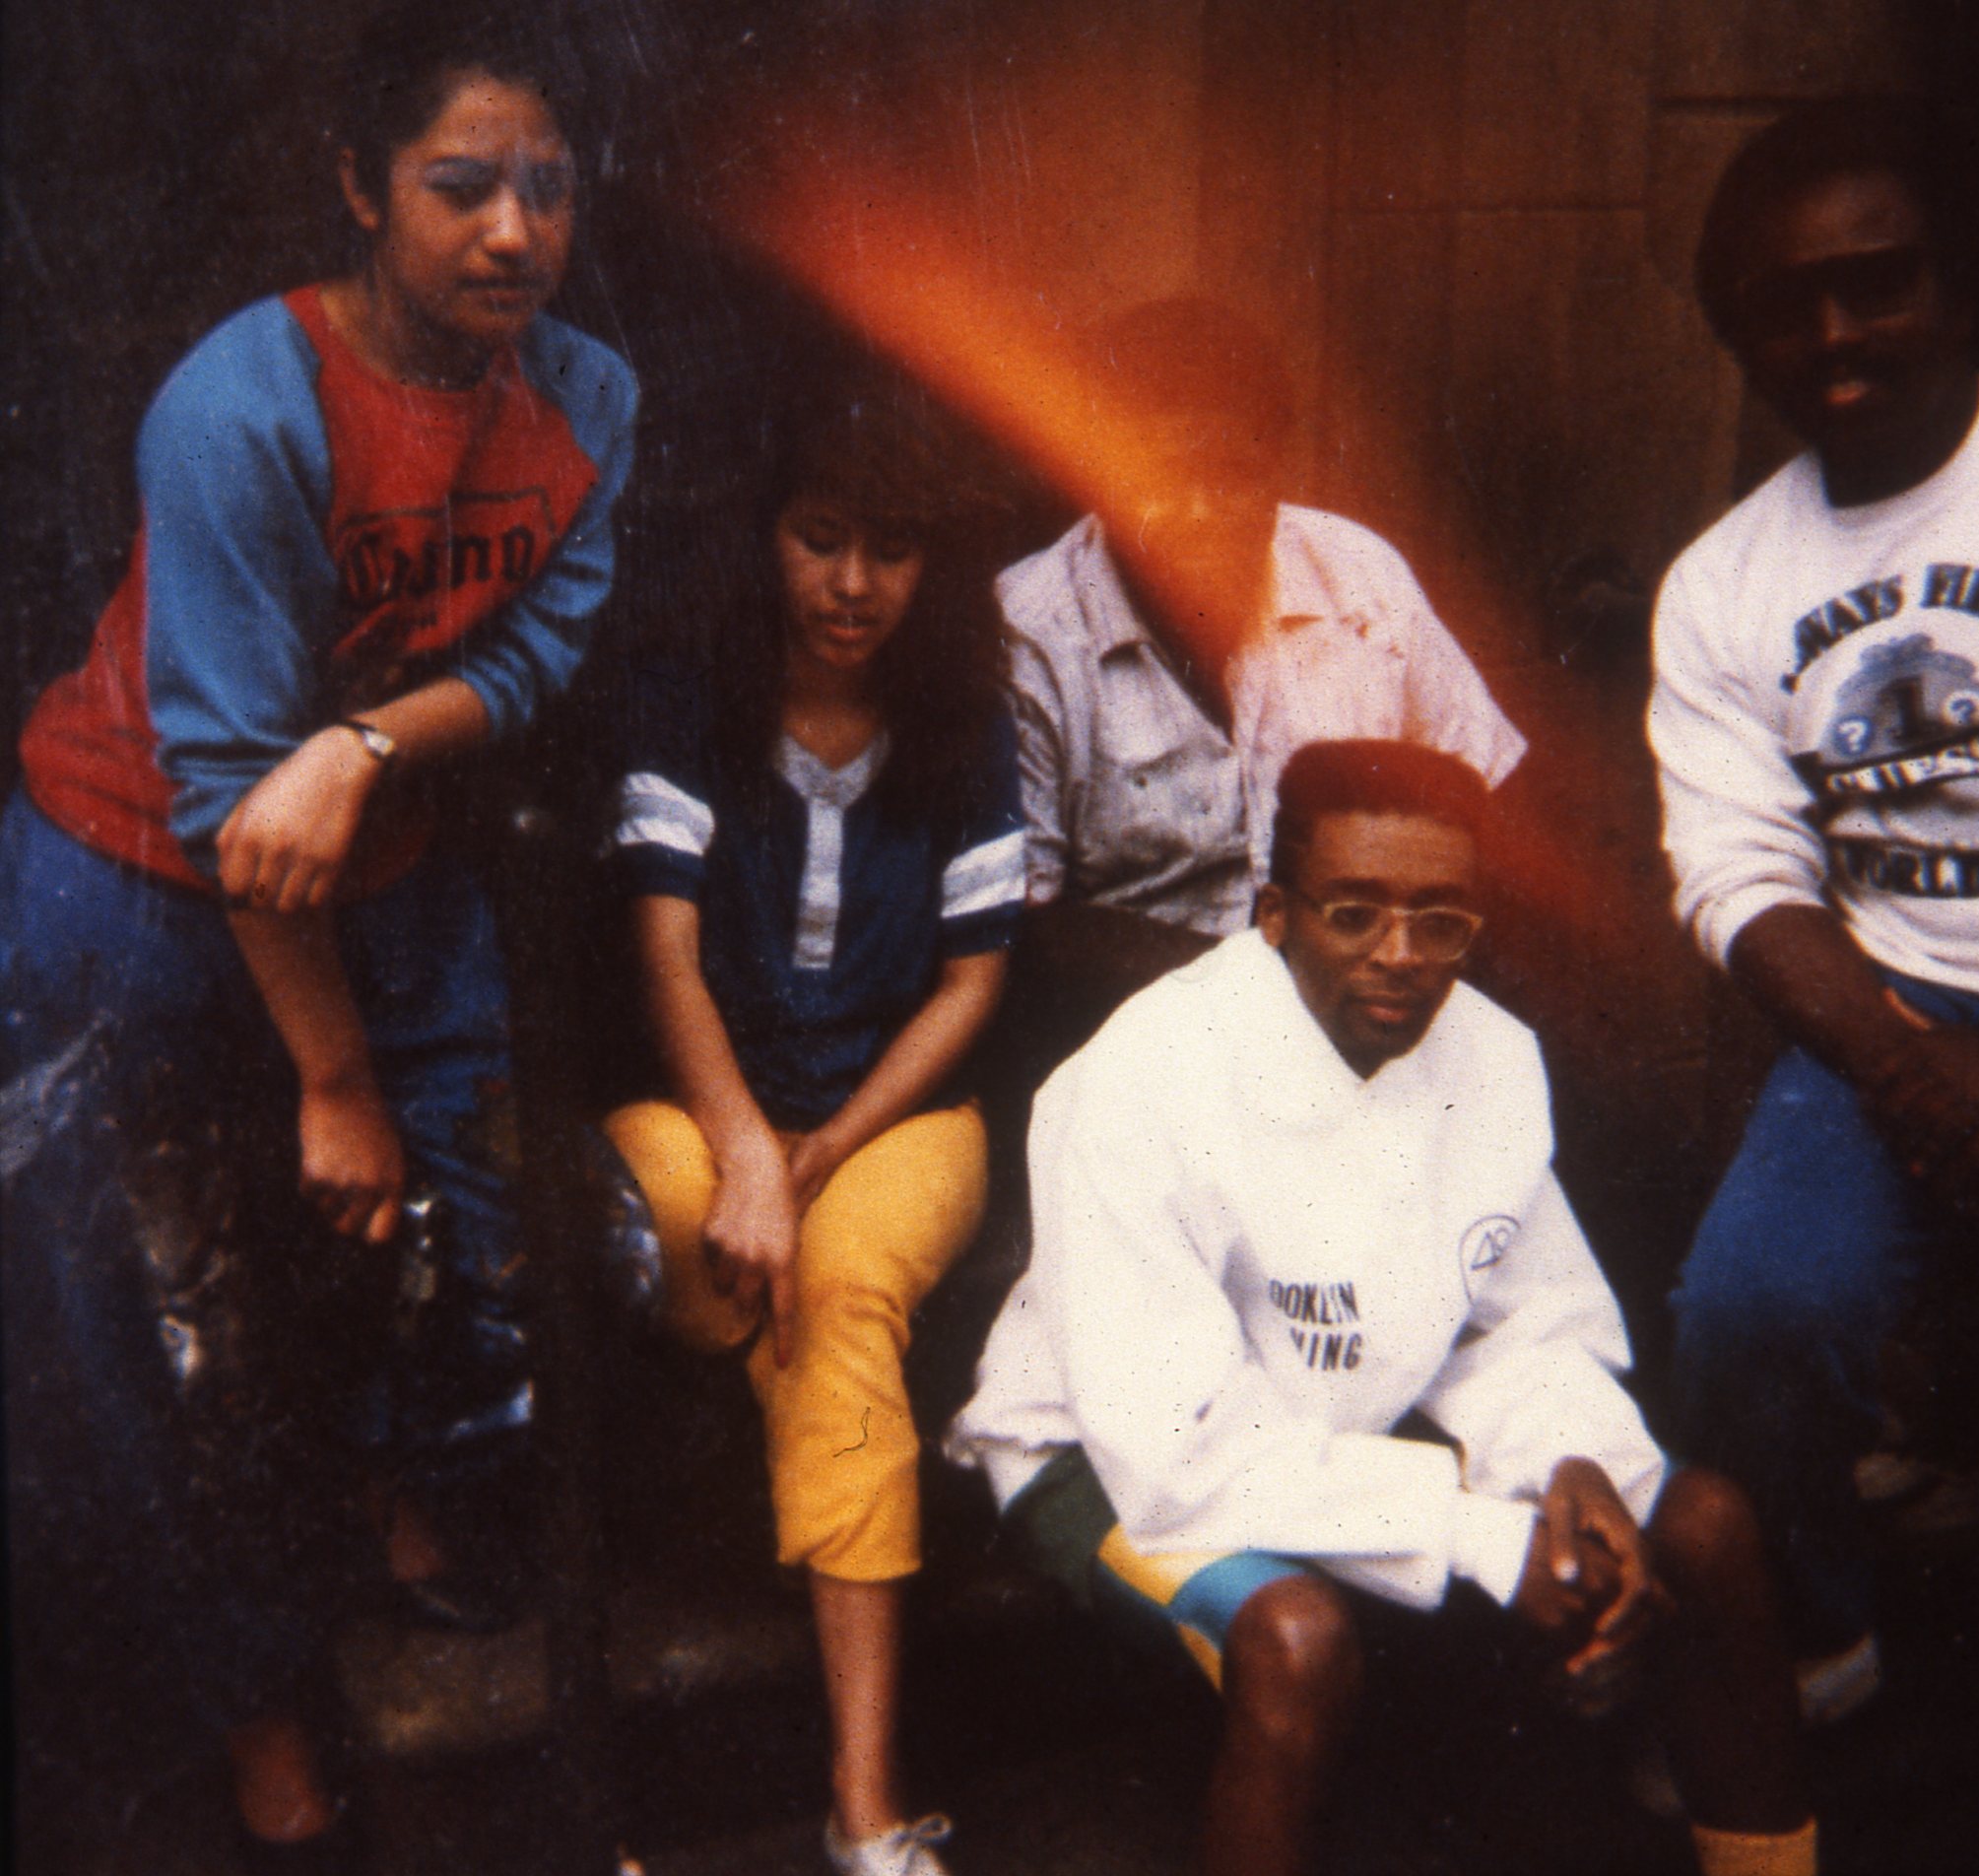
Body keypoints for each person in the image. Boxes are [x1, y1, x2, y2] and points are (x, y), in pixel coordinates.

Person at [0, 4, 636, 1860]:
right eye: (461, 187)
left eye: (548, 187)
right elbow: (221, 794)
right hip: (128, 877)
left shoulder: (583, 398)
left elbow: (534, 652)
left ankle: (394, 1492)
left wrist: (365, 742)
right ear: (362, 189)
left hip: (370, 847)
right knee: (160, 1324)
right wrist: (330, 1073)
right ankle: (257, 1710)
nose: (512, 232)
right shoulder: (241, 404)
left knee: (465, 1224)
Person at [949, 739, 1816, 1876]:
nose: (1398, 956)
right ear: (1272, 913)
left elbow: (1520, 1318)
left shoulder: (1491, 1059)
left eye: (1439, 919)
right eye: (1351, 913)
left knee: (1701, 1527)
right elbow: (1174, 1454)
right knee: (1296, 1639)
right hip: (1104, 1452)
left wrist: (1573, 1461)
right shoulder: (1140, 1078)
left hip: (1344, 1421)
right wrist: (1487, 1537)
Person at [1648, 100, 1979, 1865]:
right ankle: (1817, 1623)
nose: (1827, 336)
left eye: (1869, 285)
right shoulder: (1725, 580)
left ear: (1952, 287)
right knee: (1745, 1312)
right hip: (1891, 1012)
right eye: (1778, 307)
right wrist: (1916, 1079)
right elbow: (1737, 879)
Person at [601, 362, 1024, 1876]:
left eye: (893, 551)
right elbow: (663, 953)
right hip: (708, 1099)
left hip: (902, 1121)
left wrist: (819, 1156)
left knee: (838, 1288)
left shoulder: (969, 722)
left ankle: (862, 1803)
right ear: (766, 535)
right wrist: (742, 1155)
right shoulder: (687, 693)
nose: (852, 586)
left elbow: (973, 986)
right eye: (820, 537)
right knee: (623, 1204)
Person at [1001, 297, 1526, 1029]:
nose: (1200, 512)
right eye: (1156, 478)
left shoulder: (1358, 578)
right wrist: (1269, 992)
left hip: (1366, 1009)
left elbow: (1481, 796)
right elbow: (1023, 929)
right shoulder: (1032, 629)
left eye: (1232, 476)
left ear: (1276, 470)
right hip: (1138, 1028)